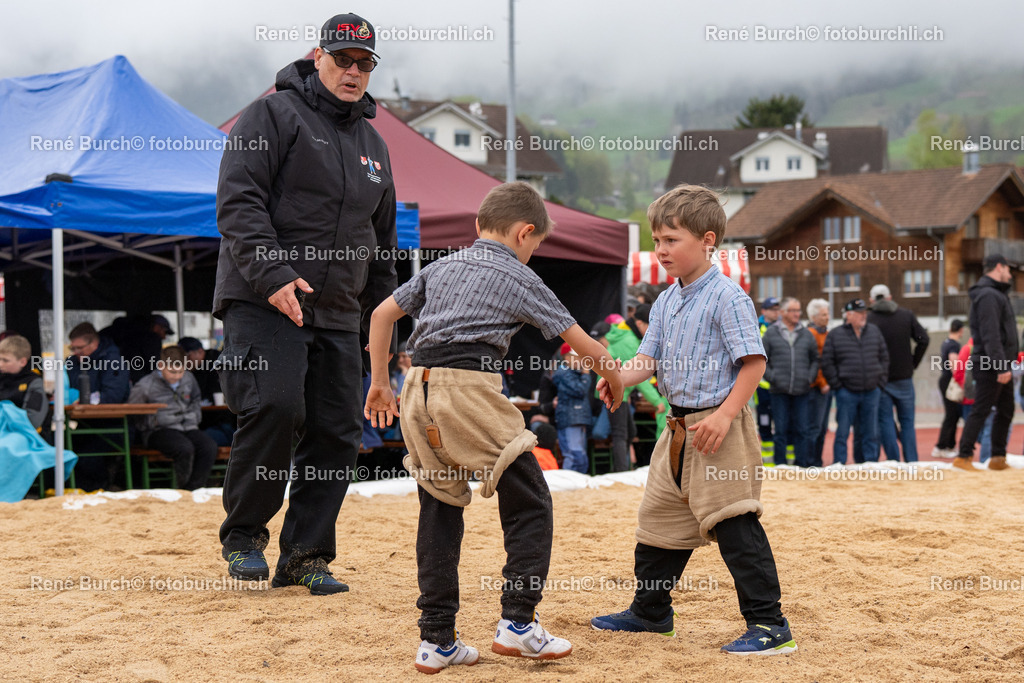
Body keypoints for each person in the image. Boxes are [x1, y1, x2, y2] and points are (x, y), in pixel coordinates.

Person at [363, 181, 624, 673]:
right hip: (468, 388)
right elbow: (586, 346)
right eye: (537, 244)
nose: (534, 252)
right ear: (527, 233)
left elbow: (381, 315)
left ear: (478, 225)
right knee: (530, 499)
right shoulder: (520, 277)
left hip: (417, 387)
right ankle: (518, 623)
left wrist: (379, 383)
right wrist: (614, 381)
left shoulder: (442, 265)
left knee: (439, 509)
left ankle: (437, 640)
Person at [212, 13, 397, 592]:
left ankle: (305, 556)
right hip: (264, 299)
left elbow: (383, 246)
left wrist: (388, 332)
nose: (353, 71)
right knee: (276, 407)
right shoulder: (271, 113)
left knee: (340, 433)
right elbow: (238, 202)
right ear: (318, 55)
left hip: (340, 311)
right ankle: (244, 536)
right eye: (343, 58)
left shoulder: (375, 144)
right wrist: (273, 274)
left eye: (364, 63)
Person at [590, 184, 796, 655]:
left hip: (719, 429)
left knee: (735, 524)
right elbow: (647, 359)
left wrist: (725, 416)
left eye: (671, 239)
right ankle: (651, 613)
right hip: (677, 429)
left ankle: (770, 626)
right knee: (657, 524)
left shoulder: (728, 297)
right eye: (656, 240)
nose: (660, 250)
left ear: (707, 241)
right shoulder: (665, 301)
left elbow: (753, 363)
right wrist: (619, 378)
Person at [955, 254, 1018, 472]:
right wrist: (1000, 366)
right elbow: (990, 334)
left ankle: (998, 457)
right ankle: (963, 456)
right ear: (999, 267)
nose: (1010, 275)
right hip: (990, 364)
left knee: (1006, 409)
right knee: (981, 410)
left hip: (1002, 364)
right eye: (1008, 270)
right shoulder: (989, 295)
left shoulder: (997, 294)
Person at [129, 346, 217, 491]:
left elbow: (196, 398)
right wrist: (151, 424)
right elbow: (133, 411)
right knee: (184, 448)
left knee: (209, 447)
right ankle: (182, 489)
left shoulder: (188, 378)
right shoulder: (145, 385)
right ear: (160, 365)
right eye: (172, 371)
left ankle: (194, 489)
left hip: (187, 426)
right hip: (158, 430)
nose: (177, 376)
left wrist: (194, 418)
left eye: (180, 371)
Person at [821, 299, 889, 465]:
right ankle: (839, 465)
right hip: (846, 392)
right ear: (849, 315)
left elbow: (884, 357)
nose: (863, 316)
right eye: (860, 313)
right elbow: (827, 362)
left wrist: (880, 382)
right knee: (843, 432)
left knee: (871, 431)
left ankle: (870, 465)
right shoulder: (836, 334)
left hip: (871, 390)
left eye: (865, 313)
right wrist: (838, 385)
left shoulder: (874, 331)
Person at [65, 322, 131, 491]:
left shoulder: (114, 361)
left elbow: (112, 397)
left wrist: (86, 401)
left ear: (94, 343)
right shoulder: (72, 362)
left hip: (115, 425)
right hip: (86, 423)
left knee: (84, 456)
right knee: (61, 447)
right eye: (73, 348)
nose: (75, 353)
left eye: (79, 348)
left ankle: (103, 486)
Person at [867, 284, 929, 462]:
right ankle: (912, 461)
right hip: (904, 377)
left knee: (885, 421)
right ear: (890, 297)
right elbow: (923, 339)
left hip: (882, 379)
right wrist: (912, 363)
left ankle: (893, 461)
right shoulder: (905, 315)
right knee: (907, 422)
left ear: (871, 300)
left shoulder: (870, 319)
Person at [762, 298, 818, 467]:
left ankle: (801, 465)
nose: (796, 314)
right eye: (793, 310)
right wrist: (773, 378)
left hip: (802, 390)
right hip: (779, 390)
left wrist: (809, 378)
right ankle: (780, 465)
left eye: (798, 310)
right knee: (781, 430)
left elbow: (815, 359)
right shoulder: (771, 333)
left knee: (802, 430)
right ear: (783, 313)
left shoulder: (806, 333)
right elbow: (762, 360)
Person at [551, 343, 593, 474]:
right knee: (574, 455)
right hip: (570, 419)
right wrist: (586, 375)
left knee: (581, 457)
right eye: (578, 357)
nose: (581, 361)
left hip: (578, 418)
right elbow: (580, 390)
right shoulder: (564, 373)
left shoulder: (572, 373)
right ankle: (568, 485)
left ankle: (578, 487)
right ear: (567, 358)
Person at [932, 319, 965, 458]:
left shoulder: (946, 342)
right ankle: (942, 446)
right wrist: (959, 381)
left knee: (954, 414)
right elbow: (954, 364)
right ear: (960, 330)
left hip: (946, 380)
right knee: (951, 414)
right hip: (950, 381)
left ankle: (950, 445)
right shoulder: (953, 345)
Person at [0, 335, 47, 430]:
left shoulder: (34, 382)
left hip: (24, 437)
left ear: (22, 362)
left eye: (5, 360)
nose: (0, 364)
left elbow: (32, 420)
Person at [805, 299, 831, 467]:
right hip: (816, 388)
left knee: (822, 428)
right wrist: (822, 383)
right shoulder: (811, 334)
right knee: (814, 427)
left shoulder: (826, 333)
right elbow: (816, 362)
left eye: (827, 314)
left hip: (826, 387)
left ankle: (817, 461)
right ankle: (810, 462)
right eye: (823, 314)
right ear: (814, 316)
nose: (827, 317)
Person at [755, 297, 781, 464]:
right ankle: (768, 462)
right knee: (764, 423)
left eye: (777, 308)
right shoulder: (756, 328)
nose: (775, 312)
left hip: (780, 386)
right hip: (761, 386)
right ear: (764, 311)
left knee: (782, 423)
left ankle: (782, 462)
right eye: (772, 309)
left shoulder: (782, 328)